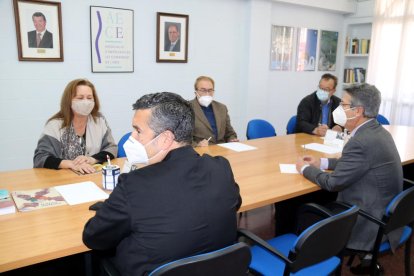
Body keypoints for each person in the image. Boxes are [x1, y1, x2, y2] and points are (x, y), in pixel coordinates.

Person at [82, 92, 241, 276]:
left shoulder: (134, 184)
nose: (132, 137)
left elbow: (93, 238)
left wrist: (108, 210)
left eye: (138, 131)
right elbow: (234, 204)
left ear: (165, 139)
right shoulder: (220, 167)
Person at [296, 84, 403, 253]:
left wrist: (304, 169)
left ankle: (308, 260)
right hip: (387, 216)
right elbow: (355, 163)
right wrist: (322, 163)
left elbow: (332, 183)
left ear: (358, 111)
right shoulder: (377, 132)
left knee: (303, 211)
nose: (339, 108)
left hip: (368, 222)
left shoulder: (360, 142)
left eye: (344, 105)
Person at [33, 79, 117, 174]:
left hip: (92, 176)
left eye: (89, 98)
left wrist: (92, 159)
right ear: (69, 101)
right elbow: (40, 157)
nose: (86, 102)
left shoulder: (99, 120)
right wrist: (71, 164)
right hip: (62, 179)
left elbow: (112, 148)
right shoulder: (55, 125)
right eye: (80, 98)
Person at [190, 76, 238, 146]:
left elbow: (230, 133)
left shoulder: (222, 108)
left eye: (210, 90)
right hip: (200, 152)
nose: (207, 93)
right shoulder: (187, 108)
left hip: (222, 149)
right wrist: (197, 145)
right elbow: (182, 138)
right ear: (196, 92)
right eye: (203, 90)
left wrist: (232, 139)